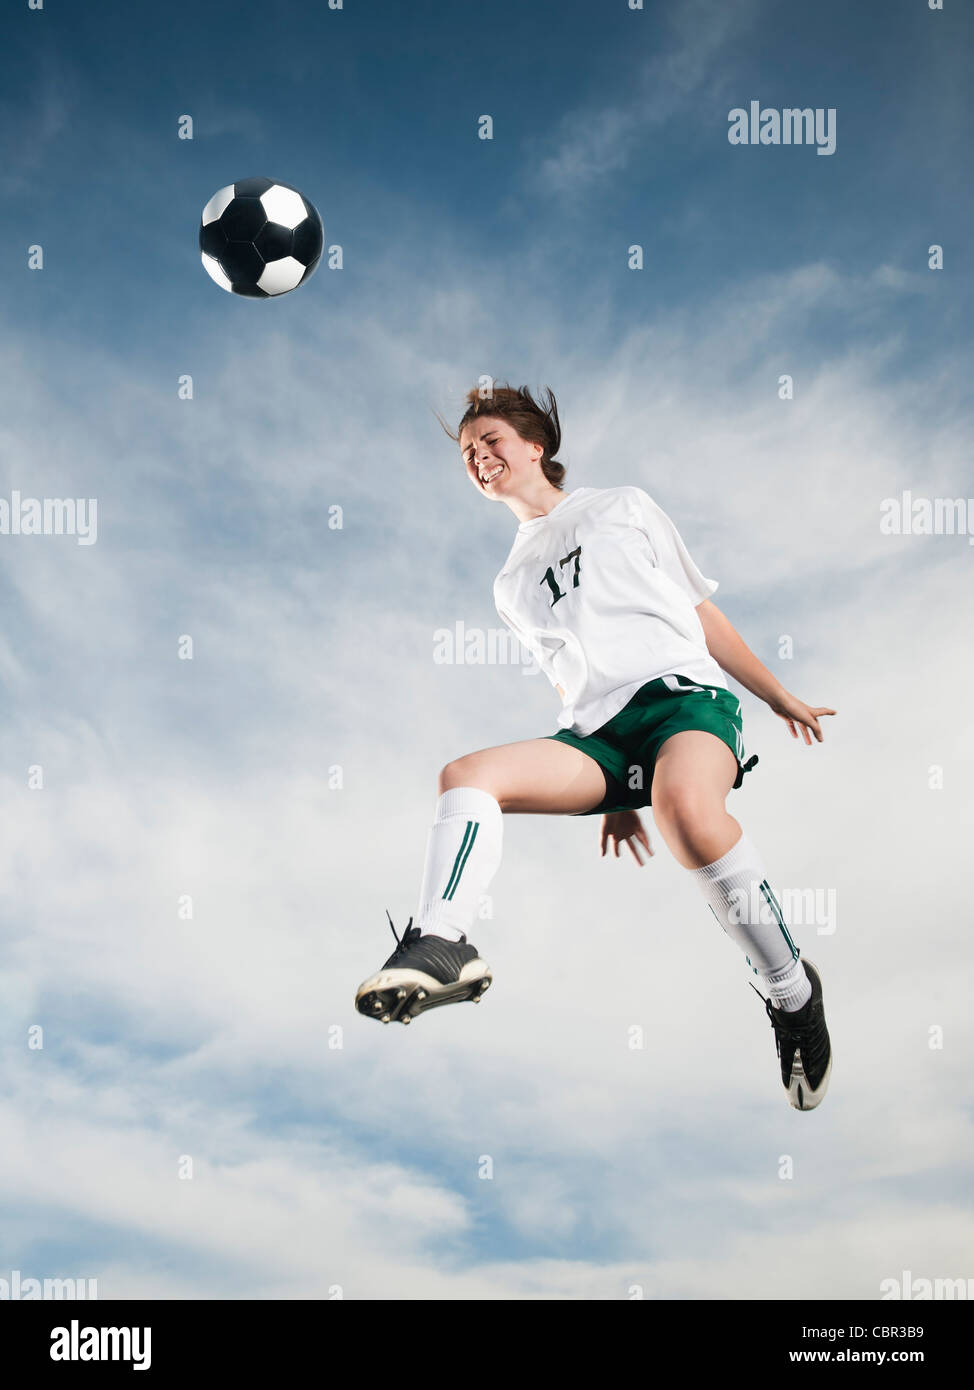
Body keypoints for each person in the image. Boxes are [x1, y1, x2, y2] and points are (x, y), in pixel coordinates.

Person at [355, 385, 834, 1110]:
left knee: (688, 814)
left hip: (684, 703)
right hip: (599, 736)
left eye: (490, 442)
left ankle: (793, 994)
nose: (479, 458)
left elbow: (700, 611)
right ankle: (440, 943)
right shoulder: (510, 583)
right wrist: (612, 796)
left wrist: (776, 695)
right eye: (466, 454)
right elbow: (566, 676)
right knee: (467, 775)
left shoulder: (622, 507)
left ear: (534, 446)